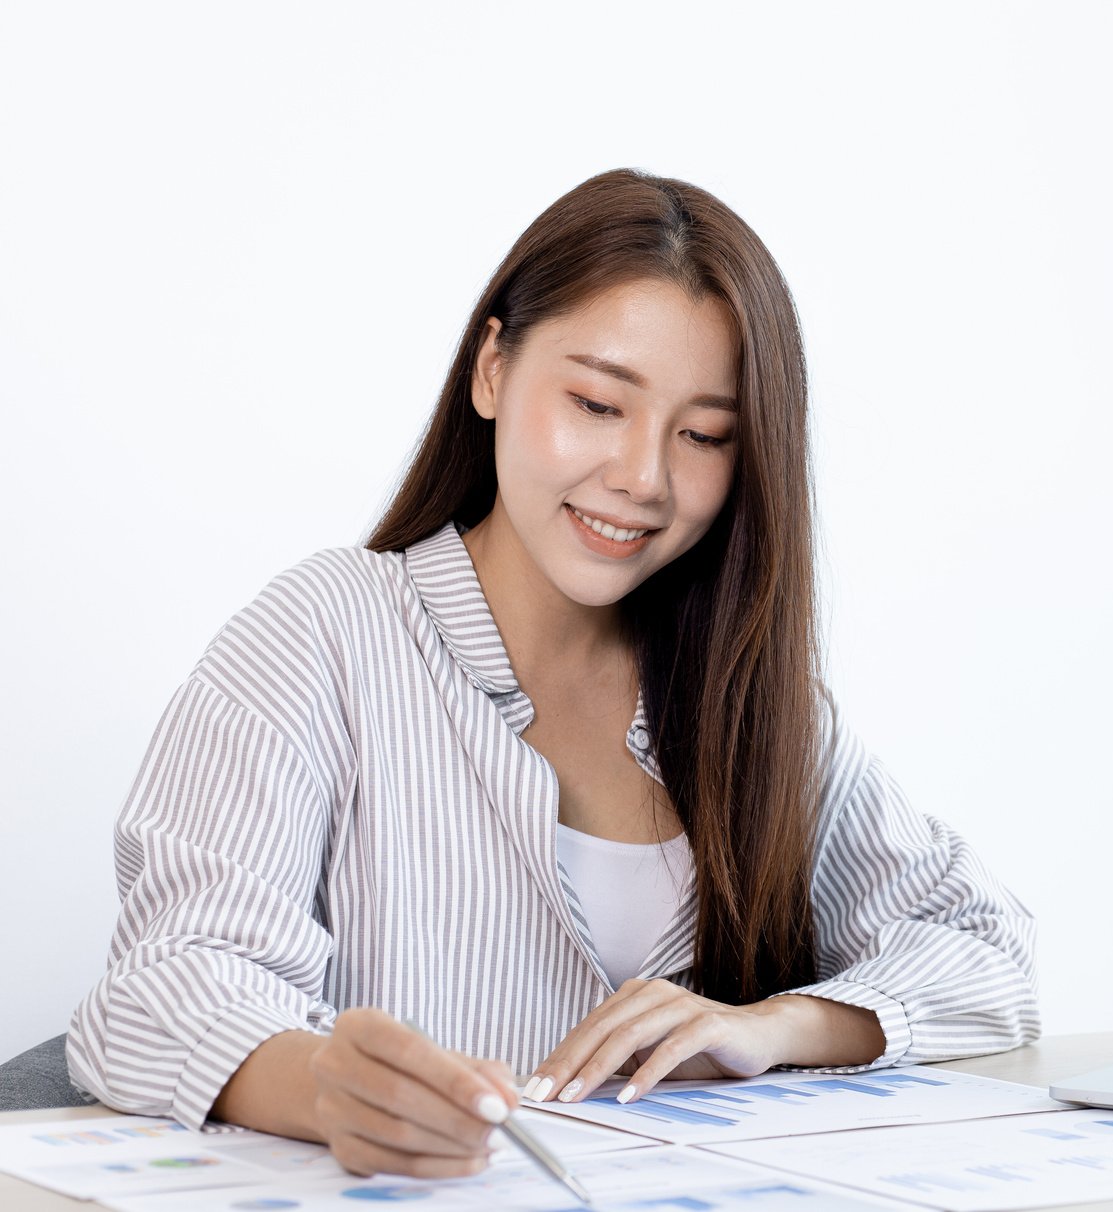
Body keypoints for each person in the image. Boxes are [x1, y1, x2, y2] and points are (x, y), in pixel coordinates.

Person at [64, 168, 1041, 1181]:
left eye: (704, 435)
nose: (644, 477)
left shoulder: (748, 697)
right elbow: (160, 990)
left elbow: (986, 953)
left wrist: (773, 1028)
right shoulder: (327, 633)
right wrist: (326, 1088)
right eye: (596, 402)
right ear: (492, 370)